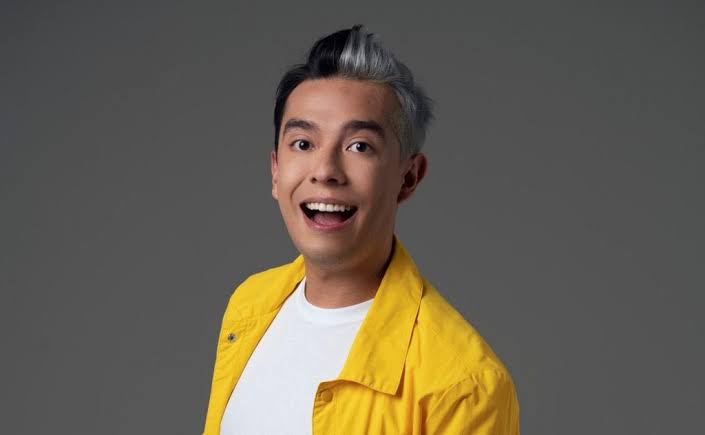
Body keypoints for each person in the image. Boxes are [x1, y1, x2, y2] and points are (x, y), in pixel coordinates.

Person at [202, 25, 520, 435]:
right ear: (276, 172)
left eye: (359, 146)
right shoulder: (249, 306)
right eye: (303, 143)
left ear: (408, 177)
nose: (325, 171)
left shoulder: (461, 385)